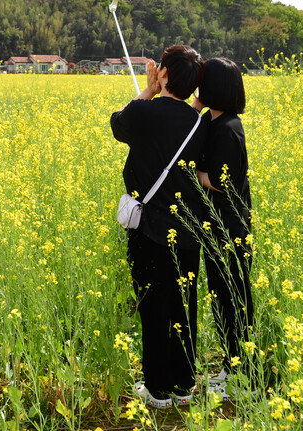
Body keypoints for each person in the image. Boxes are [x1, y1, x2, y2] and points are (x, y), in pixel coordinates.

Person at [110, 45, 206, 408]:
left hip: (149, 230)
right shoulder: (200, 122)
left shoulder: (144, 112)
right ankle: (183, 385)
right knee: (184, 304)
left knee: (153, 307)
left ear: (162, 73)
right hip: (188, 229)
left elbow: (117, 124)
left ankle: (157, 389)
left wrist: (147, 90)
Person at [191, 57, 255, 399]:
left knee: (234, 301)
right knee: (222, 300)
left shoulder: (229, 127)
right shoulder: (213, 121)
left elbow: (223, 181)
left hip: (229, 230)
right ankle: (234, 369)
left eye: (202, 82)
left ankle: (242, 378)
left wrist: (196, 175)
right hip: (216, 228)